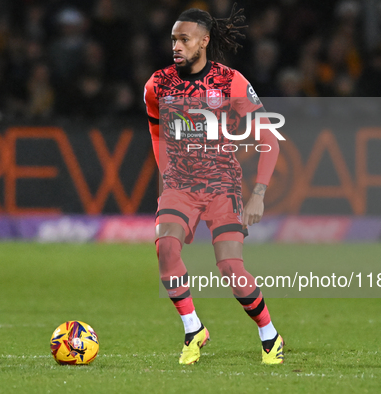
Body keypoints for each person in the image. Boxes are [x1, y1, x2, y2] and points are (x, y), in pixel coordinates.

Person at [144, 5, 283, 365]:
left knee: (231, 270)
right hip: (180, 185)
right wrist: (167, 177)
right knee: (166, 248)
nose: (176, 45)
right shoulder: (157, 85)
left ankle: (269, 334)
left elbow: (269, 138)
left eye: (184, 39)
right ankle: (193, 328)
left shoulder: (230, 81)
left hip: (223, 186)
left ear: (203, 41)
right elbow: (157, 132)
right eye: (173, 38)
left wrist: (259, 194)